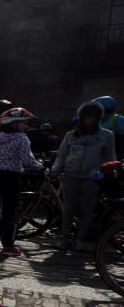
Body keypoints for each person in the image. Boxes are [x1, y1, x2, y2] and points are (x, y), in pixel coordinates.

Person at [0, 107, 45, 256]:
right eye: (24, 123)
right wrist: (41, 168)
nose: (27, 126)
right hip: (10, 177)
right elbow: (28, 161)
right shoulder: (22, 138)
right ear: (14, 124)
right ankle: (7, 246)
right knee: (9, 211)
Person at [51, 101, 117, 250]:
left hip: (92, 178)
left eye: (92, 117)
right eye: (86, 117)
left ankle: (81, 238)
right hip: (70, 175)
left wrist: (104, 174)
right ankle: (65, 238)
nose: (89, 120)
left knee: (87, 208)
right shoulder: (70, 136)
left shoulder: (107, 136)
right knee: (68, 207)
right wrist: (56, 169)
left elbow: (109, 158)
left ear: (98, 118)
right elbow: (61, 156)